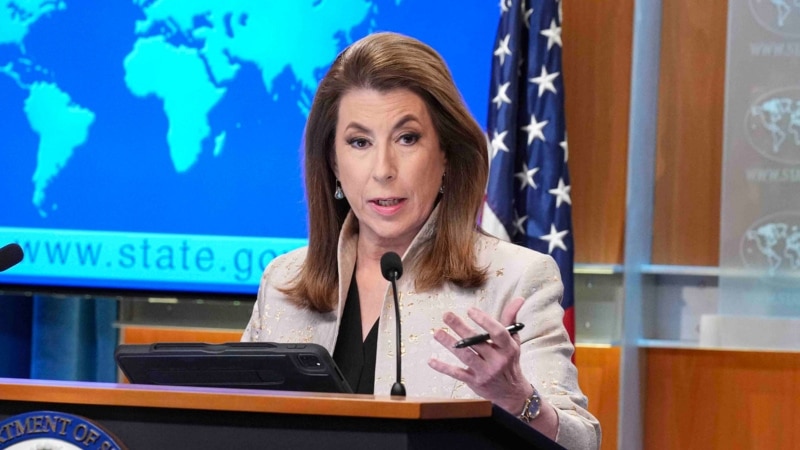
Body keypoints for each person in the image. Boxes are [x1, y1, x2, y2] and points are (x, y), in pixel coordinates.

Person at [241, 32, 600, 449]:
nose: (383, 169)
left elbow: (581, 442)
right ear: (333, 163)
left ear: (446, 153)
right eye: (359, 142)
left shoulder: (515, 279)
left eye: (407, 138)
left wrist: (517, 398)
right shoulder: (283, 282)